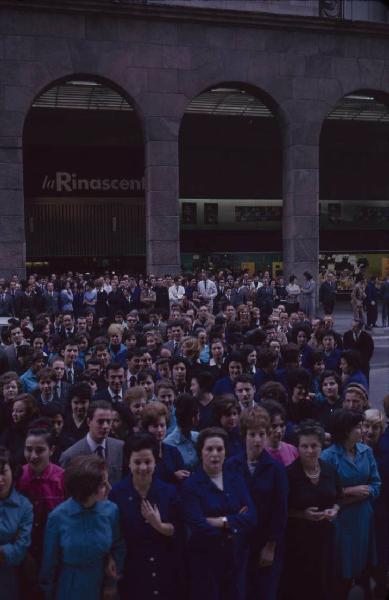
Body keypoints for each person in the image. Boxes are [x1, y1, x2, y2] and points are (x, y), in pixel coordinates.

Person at [181, 427, 257, 600]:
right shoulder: (191, 486)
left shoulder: (236, 479)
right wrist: (235, 523)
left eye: (219, 449)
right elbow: (198, 525)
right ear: (200, 452)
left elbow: (252, 517)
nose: (215, 454)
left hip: (236, 560)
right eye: (209, 449)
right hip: (206, 563)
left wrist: (221, 521)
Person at [40, 454, 125, 600]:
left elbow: (118, 546)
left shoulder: (111, 511)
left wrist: (111, 584)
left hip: (102, 587)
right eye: (103, 484)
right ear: (88, 489)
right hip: (70, 588)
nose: (109, 487)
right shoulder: (58, 517)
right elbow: (49, 565)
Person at [109, 433, 183, 600]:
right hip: (132, 573)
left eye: (147, 462)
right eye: (137, 462)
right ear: (128, 462)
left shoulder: (170, 492)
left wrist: (159, 526)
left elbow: (180, 530)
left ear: (155, 462)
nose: (143, 468)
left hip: (165, 571)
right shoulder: (117, 494)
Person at [226, 406, 288, 600]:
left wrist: (270, 547)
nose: (257, 439)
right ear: (244, 435)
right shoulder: (230, 465)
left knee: (264, 592)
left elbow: (281, 510)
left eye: (262, 434)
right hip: (238, 541)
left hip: (265, 543)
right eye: (252, 434)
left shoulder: (276, 469)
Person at [321, 409, 381, 598]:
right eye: (358, 427)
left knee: (362, 566)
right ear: (345, 431)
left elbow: (376, 484)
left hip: (363, 518)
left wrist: (364, 494)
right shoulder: (328, 457)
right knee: (340, 568)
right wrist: (350, 492)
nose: (362, 430)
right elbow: (325, 493)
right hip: (340, 521)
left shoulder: (367, 452)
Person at [282, 420, 341, 600]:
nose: (309, 451)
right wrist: (302, 514)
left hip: (325, 538)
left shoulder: (330, 470)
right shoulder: (289, 474)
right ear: (297, 447)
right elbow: (281, 509)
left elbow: (339, 497)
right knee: (301, 586)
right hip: (298, 541)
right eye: (304, 446)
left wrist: (335, 510)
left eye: (314, 446)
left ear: (321, 446)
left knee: (325, 584)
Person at [17, 420, 65, 597]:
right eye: (28, 449)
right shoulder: (17, 478)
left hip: (56, 554)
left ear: (51, 450)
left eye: (40, 450)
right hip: (23, 554)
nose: (33, 456)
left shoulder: (62, 479)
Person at [59, 400, 124, 485]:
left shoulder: (120, 447)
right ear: (89, 422)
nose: (105, 426)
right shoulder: (71, 456)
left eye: (108, 421)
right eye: (100, 422)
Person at [0, 446, 33, 600]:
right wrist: (9, 543)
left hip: (9, 578)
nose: (0, 480)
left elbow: (20, 549)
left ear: (12, 471)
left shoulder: (24, 506)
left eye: (3, 472)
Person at [362, 408, 389, 599]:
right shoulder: (353, 448)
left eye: (375, 427)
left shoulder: (386, 453)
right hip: (358, 514)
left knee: (380, 558)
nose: (370, 431)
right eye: (366, 426)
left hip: (382, 513)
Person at [141, 401, 187, 483]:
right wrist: (173, 476)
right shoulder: (141, 453)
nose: (160, 430)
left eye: (162, 425)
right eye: (155, 426)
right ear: (146, 427)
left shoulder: (173, 452)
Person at [262, 400, 298, 467]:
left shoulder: (292, 450)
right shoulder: (259, 452)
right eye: (274, 426)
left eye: (282, 426)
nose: (279, 431)